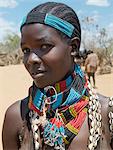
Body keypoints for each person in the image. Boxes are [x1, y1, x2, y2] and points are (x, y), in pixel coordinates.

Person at [2, 2, 113, 150]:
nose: (31, 59)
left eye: (44, 46)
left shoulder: (105, 114)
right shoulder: (17, 117)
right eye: (26, 50)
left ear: (73, 47)